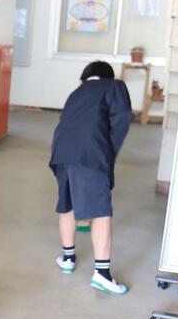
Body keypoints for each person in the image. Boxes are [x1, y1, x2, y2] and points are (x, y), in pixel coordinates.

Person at [49, 61, 133, 295]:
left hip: (61, 151)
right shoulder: (114, 86)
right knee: (101, 211)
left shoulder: (77, 92)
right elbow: (123, 116)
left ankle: (67, 258)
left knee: (67, 204)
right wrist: (108, 152)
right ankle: (102, 274)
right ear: (109, 77)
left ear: (83, 78)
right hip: (90, 152)